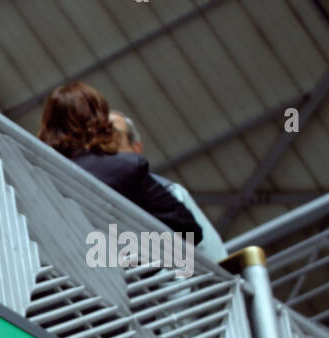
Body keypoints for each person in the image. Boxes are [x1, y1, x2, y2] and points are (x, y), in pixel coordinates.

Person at [38, 83, 199, 238]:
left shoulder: (42, 178)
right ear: (100, 119)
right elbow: (189, 230)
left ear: (48, 126)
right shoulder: (126, 167)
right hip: (133, 262)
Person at [110, 110, 226, 262]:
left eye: (113, 135)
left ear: (136, 149)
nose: (104, 145)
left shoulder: (171, 192)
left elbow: (213, 256)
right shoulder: (84, 198)